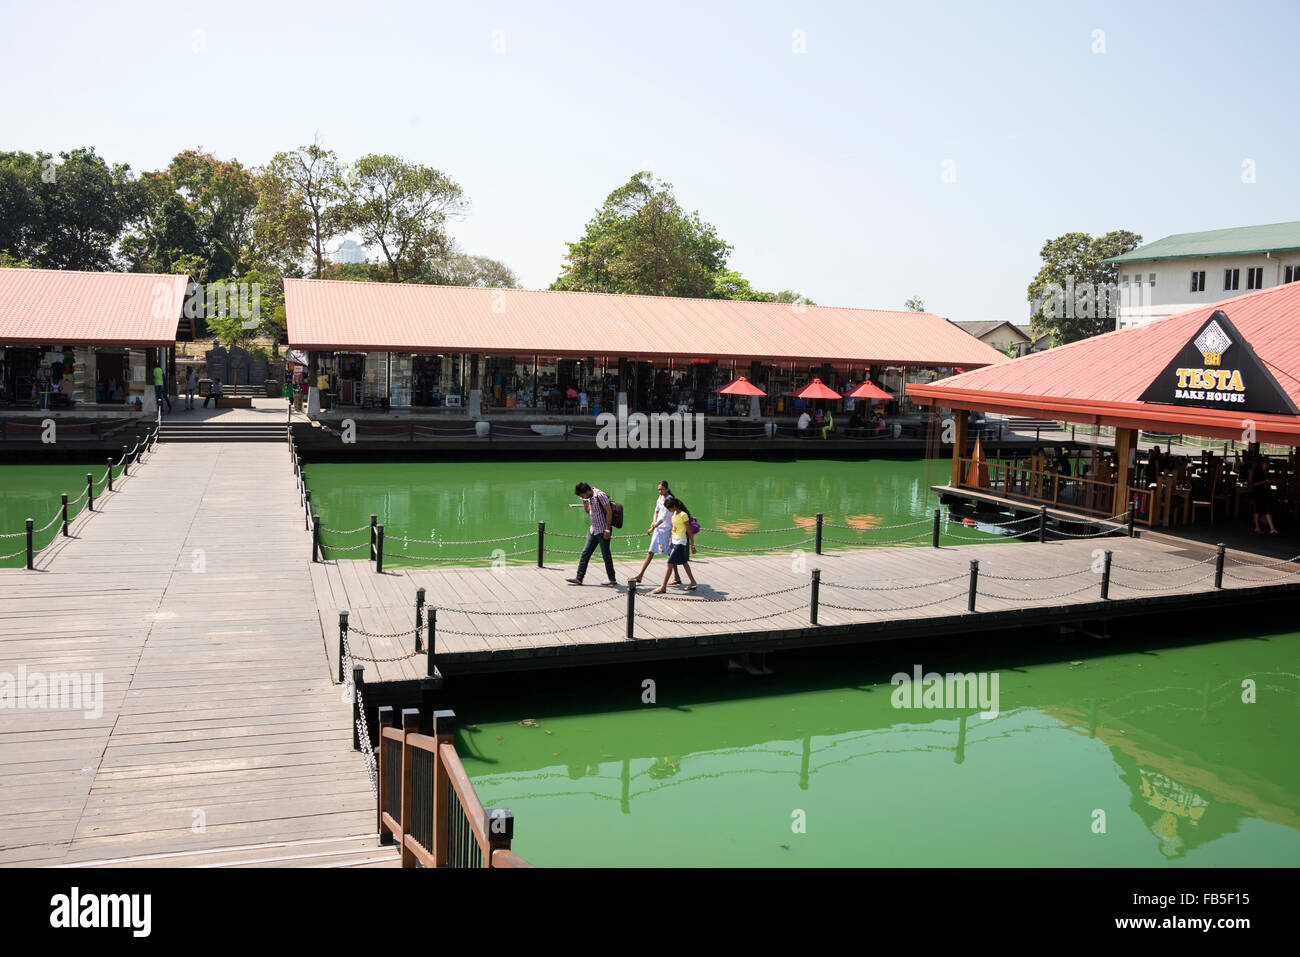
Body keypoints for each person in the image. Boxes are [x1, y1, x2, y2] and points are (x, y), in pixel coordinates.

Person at [566, 481, 618, 585]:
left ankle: (612, 579)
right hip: (593, 530)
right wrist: (584, 501)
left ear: (587, 491)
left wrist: (607, 529)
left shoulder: (600, 495)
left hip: (603, 530)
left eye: (582, 495)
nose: (582, 497)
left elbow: (609, 511)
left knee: (606, 555)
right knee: (585, 553)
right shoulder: (589, 497)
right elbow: (589, 511)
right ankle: (579, 578)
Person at [632, 480, 682, 586]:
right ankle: (640, 575)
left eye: (662, 489)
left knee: (670, 554)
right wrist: (654, 522)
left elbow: (664, 517)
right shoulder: (660, 498)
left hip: (666, 530)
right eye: (658, 489)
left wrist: (653, 527)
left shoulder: (669, 500)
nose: (660, 491)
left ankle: (677, 577)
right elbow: (656, 511)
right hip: (658, 529)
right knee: (651, 552)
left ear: (667, 489)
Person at [652, 496, 697, 593]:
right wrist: (671, 539)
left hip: (680, 542)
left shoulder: (683, 515)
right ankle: (693, 582)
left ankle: (663, 586)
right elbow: (674, 527)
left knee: (670, 563)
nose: (669, 510)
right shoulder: (674, 514)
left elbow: (689, 531)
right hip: (675, 541)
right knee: (684, 563)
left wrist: (692, 544)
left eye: (669, 508)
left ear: (675, 506)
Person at [1250, 455, 1279, 535]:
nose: (1267, 465)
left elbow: (1268, 480)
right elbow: (1254, 484)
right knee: (1258, 510)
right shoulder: (1257, 471)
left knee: (1267, 510)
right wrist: (1265, 481)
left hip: (1266, 492)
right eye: (1266, 464)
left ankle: (1272, 529)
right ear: (1262, 463)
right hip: (1259, 493)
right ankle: (1257, 527)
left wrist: (1272, 481)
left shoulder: (1266, 471)